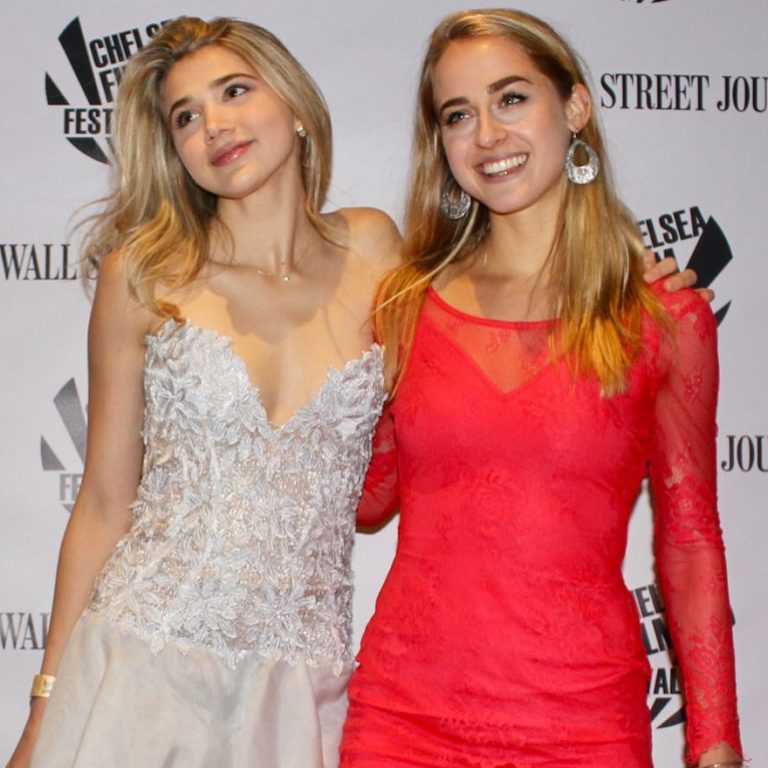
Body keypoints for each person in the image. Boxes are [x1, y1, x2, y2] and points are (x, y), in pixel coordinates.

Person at [340, 8, 742, 768]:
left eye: (512, 98)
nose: (487, 135)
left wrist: (716, 744)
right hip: (402, 721)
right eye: (459, 115)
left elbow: (690, 539)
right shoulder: (405, 305)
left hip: (582, 724)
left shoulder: (662, 315)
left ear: (575, 107)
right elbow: (370, 501)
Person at [6, 16, 400, 768]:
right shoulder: (145, 274)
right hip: (143, 669)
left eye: (235, 91)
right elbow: (103, 504)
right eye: (186, 117)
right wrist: (45, 706)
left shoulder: (375, 250)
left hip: (298, 693)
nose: (213, 125)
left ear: (294, 103)